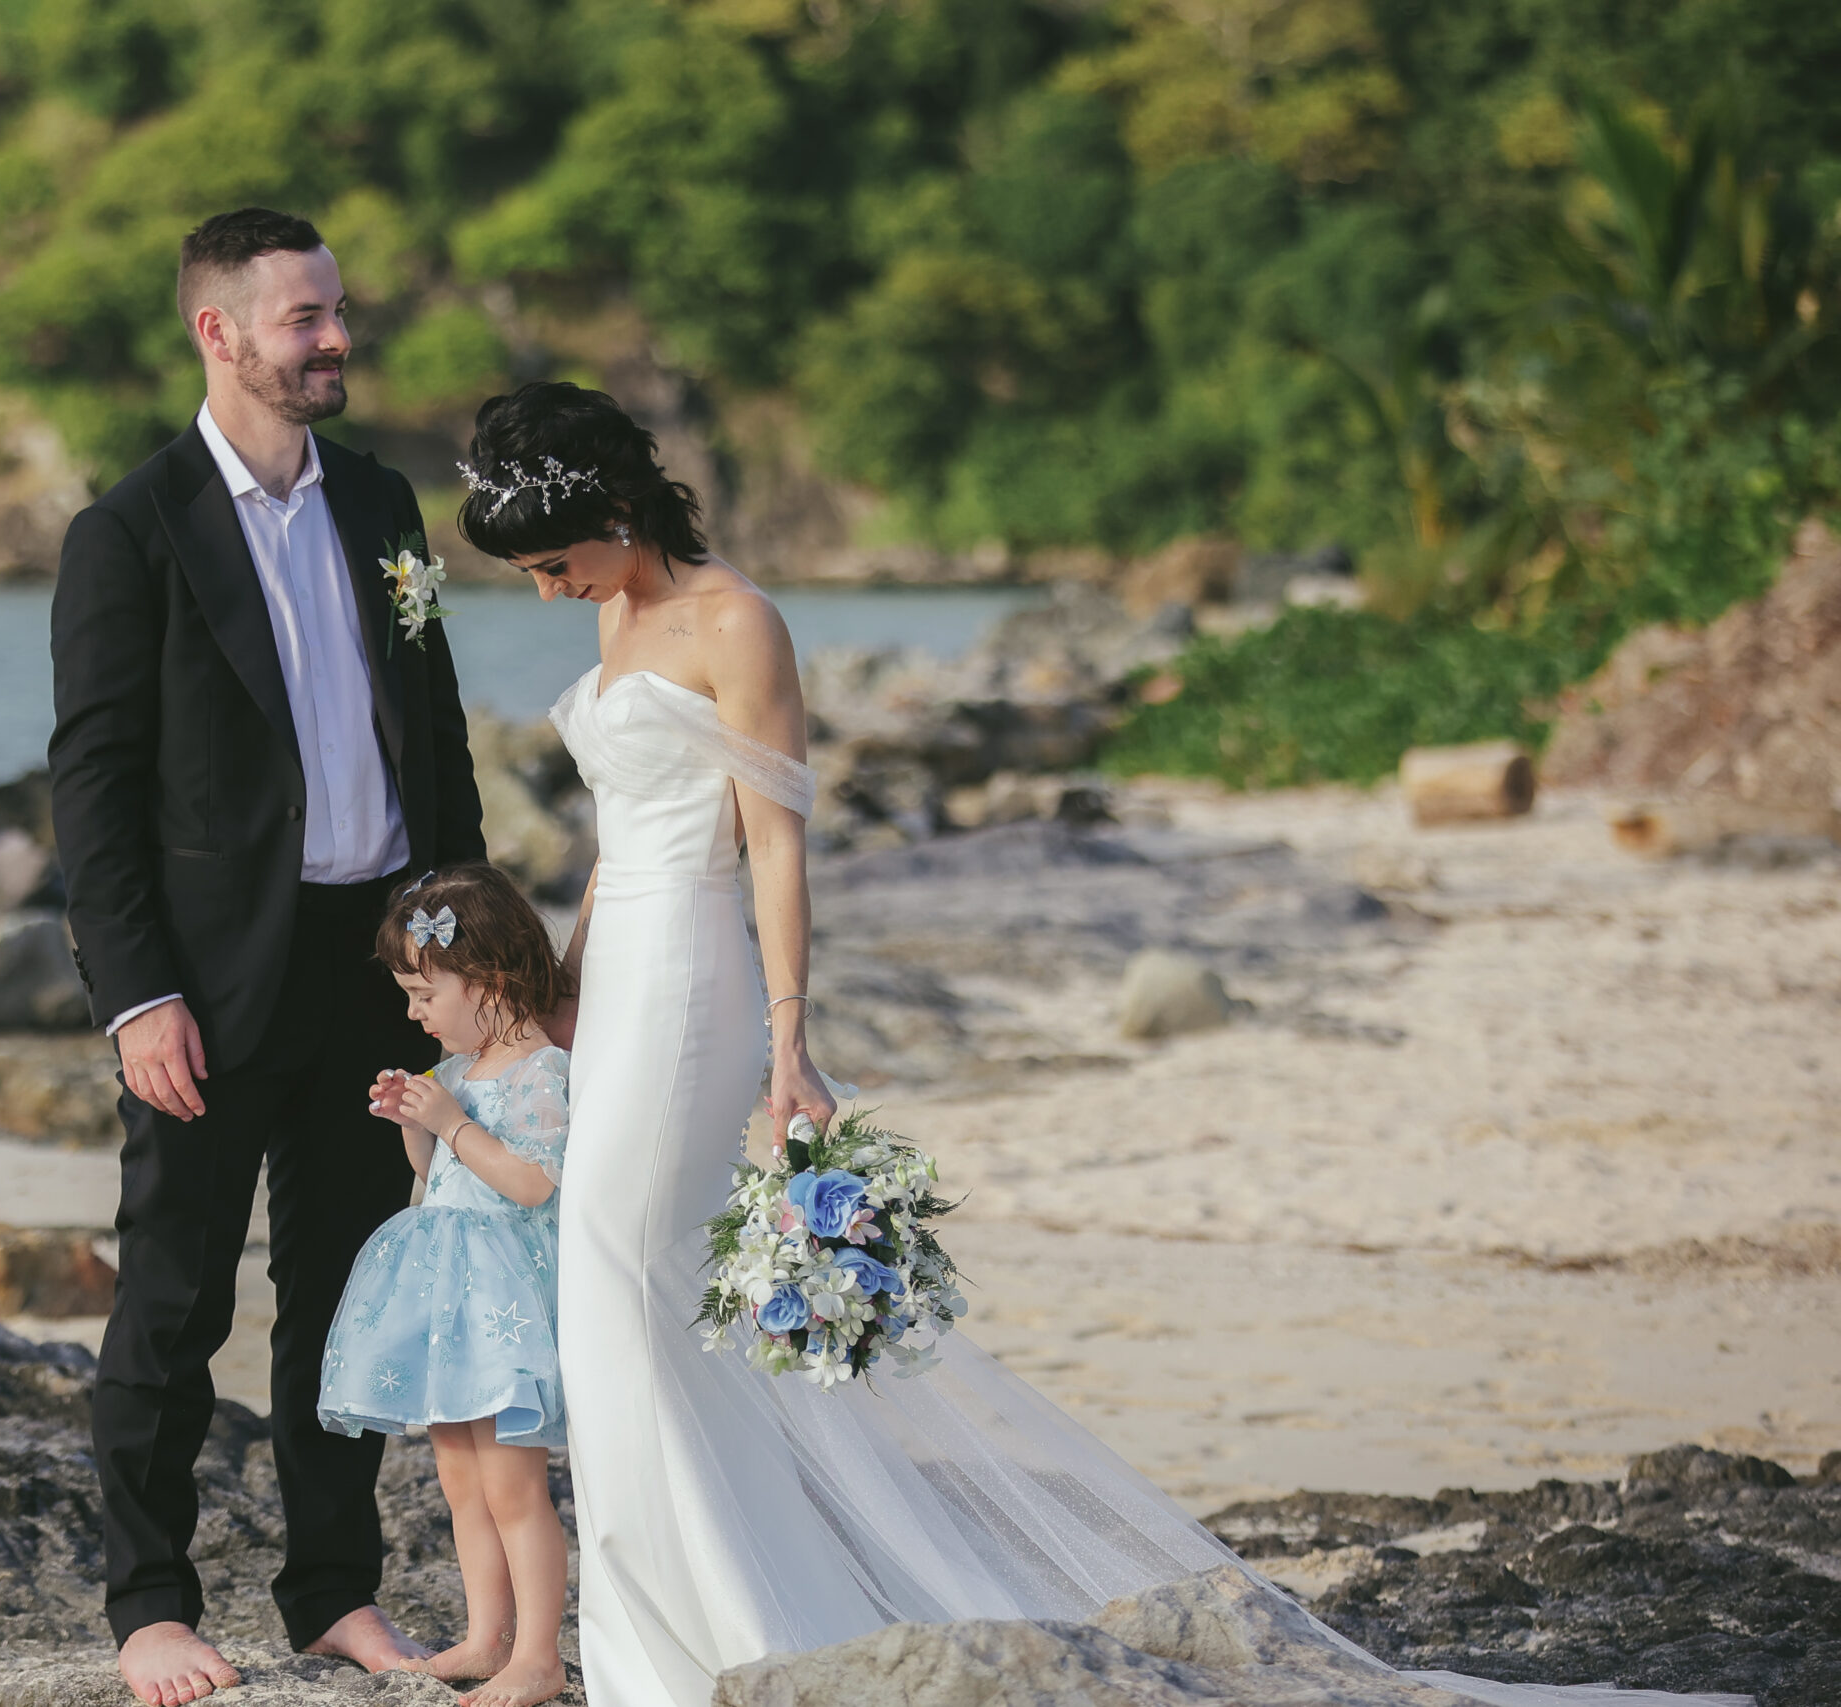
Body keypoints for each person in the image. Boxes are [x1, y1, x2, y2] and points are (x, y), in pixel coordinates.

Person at [458, 380, 1740, 1707]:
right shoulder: (615, 613)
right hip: (618, 982)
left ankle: (688, 1641)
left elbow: (777, 842)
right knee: (626, 1292)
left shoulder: (741, 621)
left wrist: (792, 1045)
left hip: (699, 989)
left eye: (556, 562)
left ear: (614, 507)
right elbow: (616, 834)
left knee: (616, 1276)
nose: (552, 593)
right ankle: (659, 1633)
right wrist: (564, 973)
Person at [48, 206, 485, 1707]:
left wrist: (460, 942)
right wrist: (137, 994)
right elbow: (93, 787)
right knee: (174, 1295)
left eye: (338, 309)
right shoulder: (130, 528)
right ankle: (151, 1603)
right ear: (217, 333)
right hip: (208, 978)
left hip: (372, 954)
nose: (337, 336)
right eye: (304, 317)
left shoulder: (380, 502)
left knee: (348, 1290)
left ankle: (332, 1589)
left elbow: (435, 736)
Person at [319, 864, 575, 1707]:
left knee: (512, 1484)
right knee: (460, 1480)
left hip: (501, 1301)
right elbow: (434, 1183)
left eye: (424, 993)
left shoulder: (540, 1066)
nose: (412, 1012)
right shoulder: (459, 1066)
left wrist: (452, 1122)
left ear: (491, 980)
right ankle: (484, 1634)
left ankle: (538, 1653)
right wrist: (415, 1129)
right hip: (450, 1297)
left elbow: (533, 1183)